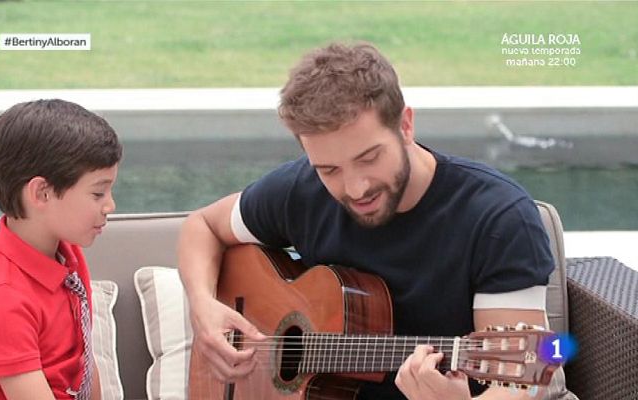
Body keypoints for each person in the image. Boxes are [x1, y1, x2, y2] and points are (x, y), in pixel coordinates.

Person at [177, 42, 572, 399]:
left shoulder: (497, 218)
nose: (355, 187)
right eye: (329, 169)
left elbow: (519, 381)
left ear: (405, 125)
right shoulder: (299, 190)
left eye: (368, 158)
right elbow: (203, 226)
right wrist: (203, 306)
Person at [0, 99, 122, 400]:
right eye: (98, 192)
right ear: (42, 193)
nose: (110, 205)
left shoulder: (68, 257)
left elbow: (82, 360)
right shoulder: (1, 296)